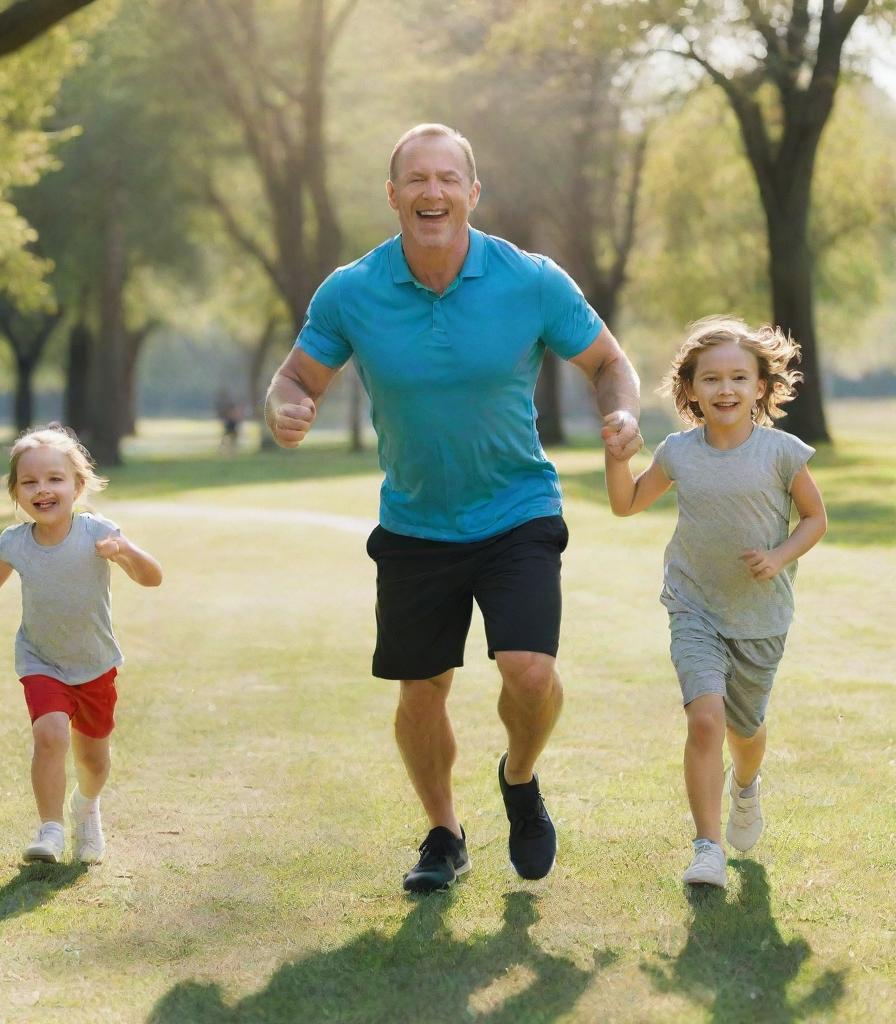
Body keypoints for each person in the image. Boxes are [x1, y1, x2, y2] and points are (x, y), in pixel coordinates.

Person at [265, 123, 642, 893]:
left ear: (472, 192)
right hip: (415, 521)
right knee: (422, 689)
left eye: (447, 179)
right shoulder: (352, 291)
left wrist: (622, 414)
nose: (431, 192)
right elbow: (295, 378)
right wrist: (286, 407)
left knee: (529, 671)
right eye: (416, 179)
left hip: (517, 508)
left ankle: (520, 777)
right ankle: (444, 833)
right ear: (394, 194)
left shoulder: (531, 279)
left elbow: (609, 363)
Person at [604, 316, 826, 888]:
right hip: (694, 605)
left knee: (744, 732)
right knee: (705, 721)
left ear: (760, 387)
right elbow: (626, 503)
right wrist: (615, 455)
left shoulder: (782, 453)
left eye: (738, 378)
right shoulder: (679, 453)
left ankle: (746, 787)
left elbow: (815, 518)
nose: (725, 389)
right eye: (711, 379)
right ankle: (707, 848)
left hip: (760, 616)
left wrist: (779, 556)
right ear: (691, 390)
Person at [0, 424, 162, 864]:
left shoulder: (98, 532)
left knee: (94, 760)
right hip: (41, 660)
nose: (42, 489)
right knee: (50, 735)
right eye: (29, 482)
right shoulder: (14, 543)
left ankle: (86, 807)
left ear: (78, 484)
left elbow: (153, 577)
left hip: (94, 663)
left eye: (54, 479)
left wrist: (124, 552)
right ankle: (50, 829)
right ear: (15, 492)